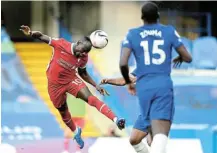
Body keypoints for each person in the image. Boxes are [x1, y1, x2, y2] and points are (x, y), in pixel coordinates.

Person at [20, 25, 125, 149]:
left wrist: (96, 85)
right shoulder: (61, 44)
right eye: (81, 51)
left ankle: (116, 119)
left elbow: (83, 73)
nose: (81, 54)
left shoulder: (83, 57)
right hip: (54, 85)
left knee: (91, 99)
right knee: (63, 111)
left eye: (85, 53)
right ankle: (76, 133)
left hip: (71, 80)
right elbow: (42, 36)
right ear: (78, 42)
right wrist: (31, 32)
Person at [119, 2, 192, 153]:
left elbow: (123, 63)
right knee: (159, 134)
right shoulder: (169, 31)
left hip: (144, 88)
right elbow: (188, 57)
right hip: (162, 86)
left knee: (151, 138)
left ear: (142, 18)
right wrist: (180, 58)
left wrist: (128, 82)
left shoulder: (132, 34)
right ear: (158, 16)